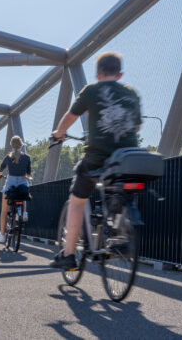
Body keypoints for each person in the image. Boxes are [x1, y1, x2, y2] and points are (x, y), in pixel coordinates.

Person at [49, 52, 141, 270]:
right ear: (120, 74)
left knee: (77, 200)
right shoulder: (131, 94)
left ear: (98, 73)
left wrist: (59, 134)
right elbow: (136, 127)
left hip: (97, 158)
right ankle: (121, 234)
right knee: (121, 190)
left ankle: (68, 254)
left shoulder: (91, 90)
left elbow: (70, 117)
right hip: (127, 159)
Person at [0, 135, 32, 244]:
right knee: (24, 190)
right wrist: (28, 177)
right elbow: (29, 174)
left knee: (4, 210)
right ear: (21, 145)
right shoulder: (27, 158)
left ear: (11, 145)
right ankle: (24, 213)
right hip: (22, 181)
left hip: (10, 182)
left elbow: (0, 170)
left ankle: (2, 235)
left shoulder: (8, 157)